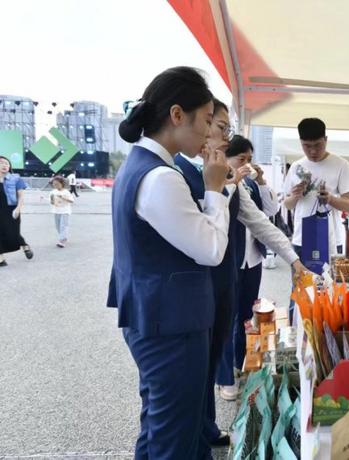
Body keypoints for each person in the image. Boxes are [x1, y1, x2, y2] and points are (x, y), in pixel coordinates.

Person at [106, 66, 231, 459]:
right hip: (171, 323)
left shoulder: (140, 165)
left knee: (161, 425)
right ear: (177, 115)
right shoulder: (161, 177)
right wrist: (214, 190)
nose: (209, 133)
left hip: (155, 314)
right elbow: (210, 249)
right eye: (207, 121)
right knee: (174, 437)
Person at [217, 134, 302, 401]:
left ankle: (242, 363)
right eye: (241, 159)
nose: (246, 164)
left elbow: (269, 214)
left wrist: (261, 180)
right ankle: (225, 377)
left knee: (244, 317)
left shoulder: (249, 186)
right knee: (224, 319)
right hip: (226, 260)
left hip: (251, 258)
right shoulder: (217, 182)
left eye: (249, 159)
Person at [283, 118, 349, 258]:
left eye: (318, 145)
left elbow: (348, 205)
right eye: (307, 146)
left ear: (325, 139)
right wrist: (295, 196)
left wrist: (330, 199)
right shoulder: (296, 166)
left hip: (331, 238)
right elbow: (287, 204)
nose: (313, 151)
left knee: (330, 279)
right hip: (301, 238)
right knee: (302, 280)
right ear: (300, 142)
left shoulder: (341, 164)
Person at [0, 155, 34, 266]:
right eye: (1, 163)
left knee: (12, 233)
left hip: (11, 210)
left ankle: (24, 245)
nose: (5, 165)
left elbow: (21, 196)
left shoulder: (16, 178)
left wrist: (18, 208)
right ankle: (1, 259)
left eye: (7, 163)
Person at [49, 175, 74, 248]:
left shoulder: (66, 192)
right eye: (54, 184)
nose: (55, 185)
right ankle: (64, 237)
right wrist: (53, 201)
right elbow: (52, 202)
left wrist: (63, 198)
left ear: (62, 183)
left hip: (65, 211)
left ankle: (62, 241)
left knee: (63, 226)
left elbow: (72, 201)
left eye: (57, 184)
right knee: (58, 226)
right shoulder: (53, 192)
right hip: (56, 211)